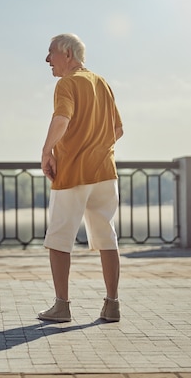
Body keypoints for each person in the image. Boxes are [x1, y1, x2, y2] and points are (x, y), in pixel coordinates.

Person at [38, 33, 124, 323]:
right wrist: (97, 147)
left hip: (73, 172)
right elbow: (118, 130)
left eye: (51, 53)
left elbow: (62, 119)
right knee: (106, 236)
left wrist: (47, 150)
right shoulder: (102, 83)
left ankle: (61, 307)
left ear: (67, 54)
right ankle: (112, 305)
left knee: (60, 239)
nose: (47, 59)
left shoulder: (68, 83)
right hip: (105, 173)